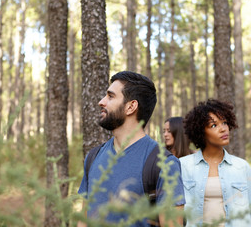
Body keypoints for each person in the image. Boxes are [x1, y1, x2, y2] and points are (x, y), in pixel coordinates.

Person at [77, 71, 185, 227]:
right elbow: (84, 220)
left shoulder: (164, 163)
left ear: (131, 107)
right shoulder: (94, 157)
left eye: (110, 96)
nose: (102, 101)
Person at [179, 99, 251, 227]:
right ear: (201, 131)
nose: (223, 129)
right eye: (214, 125)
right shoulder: (183, 166)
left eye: (224, 123)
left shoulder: (241, 166)